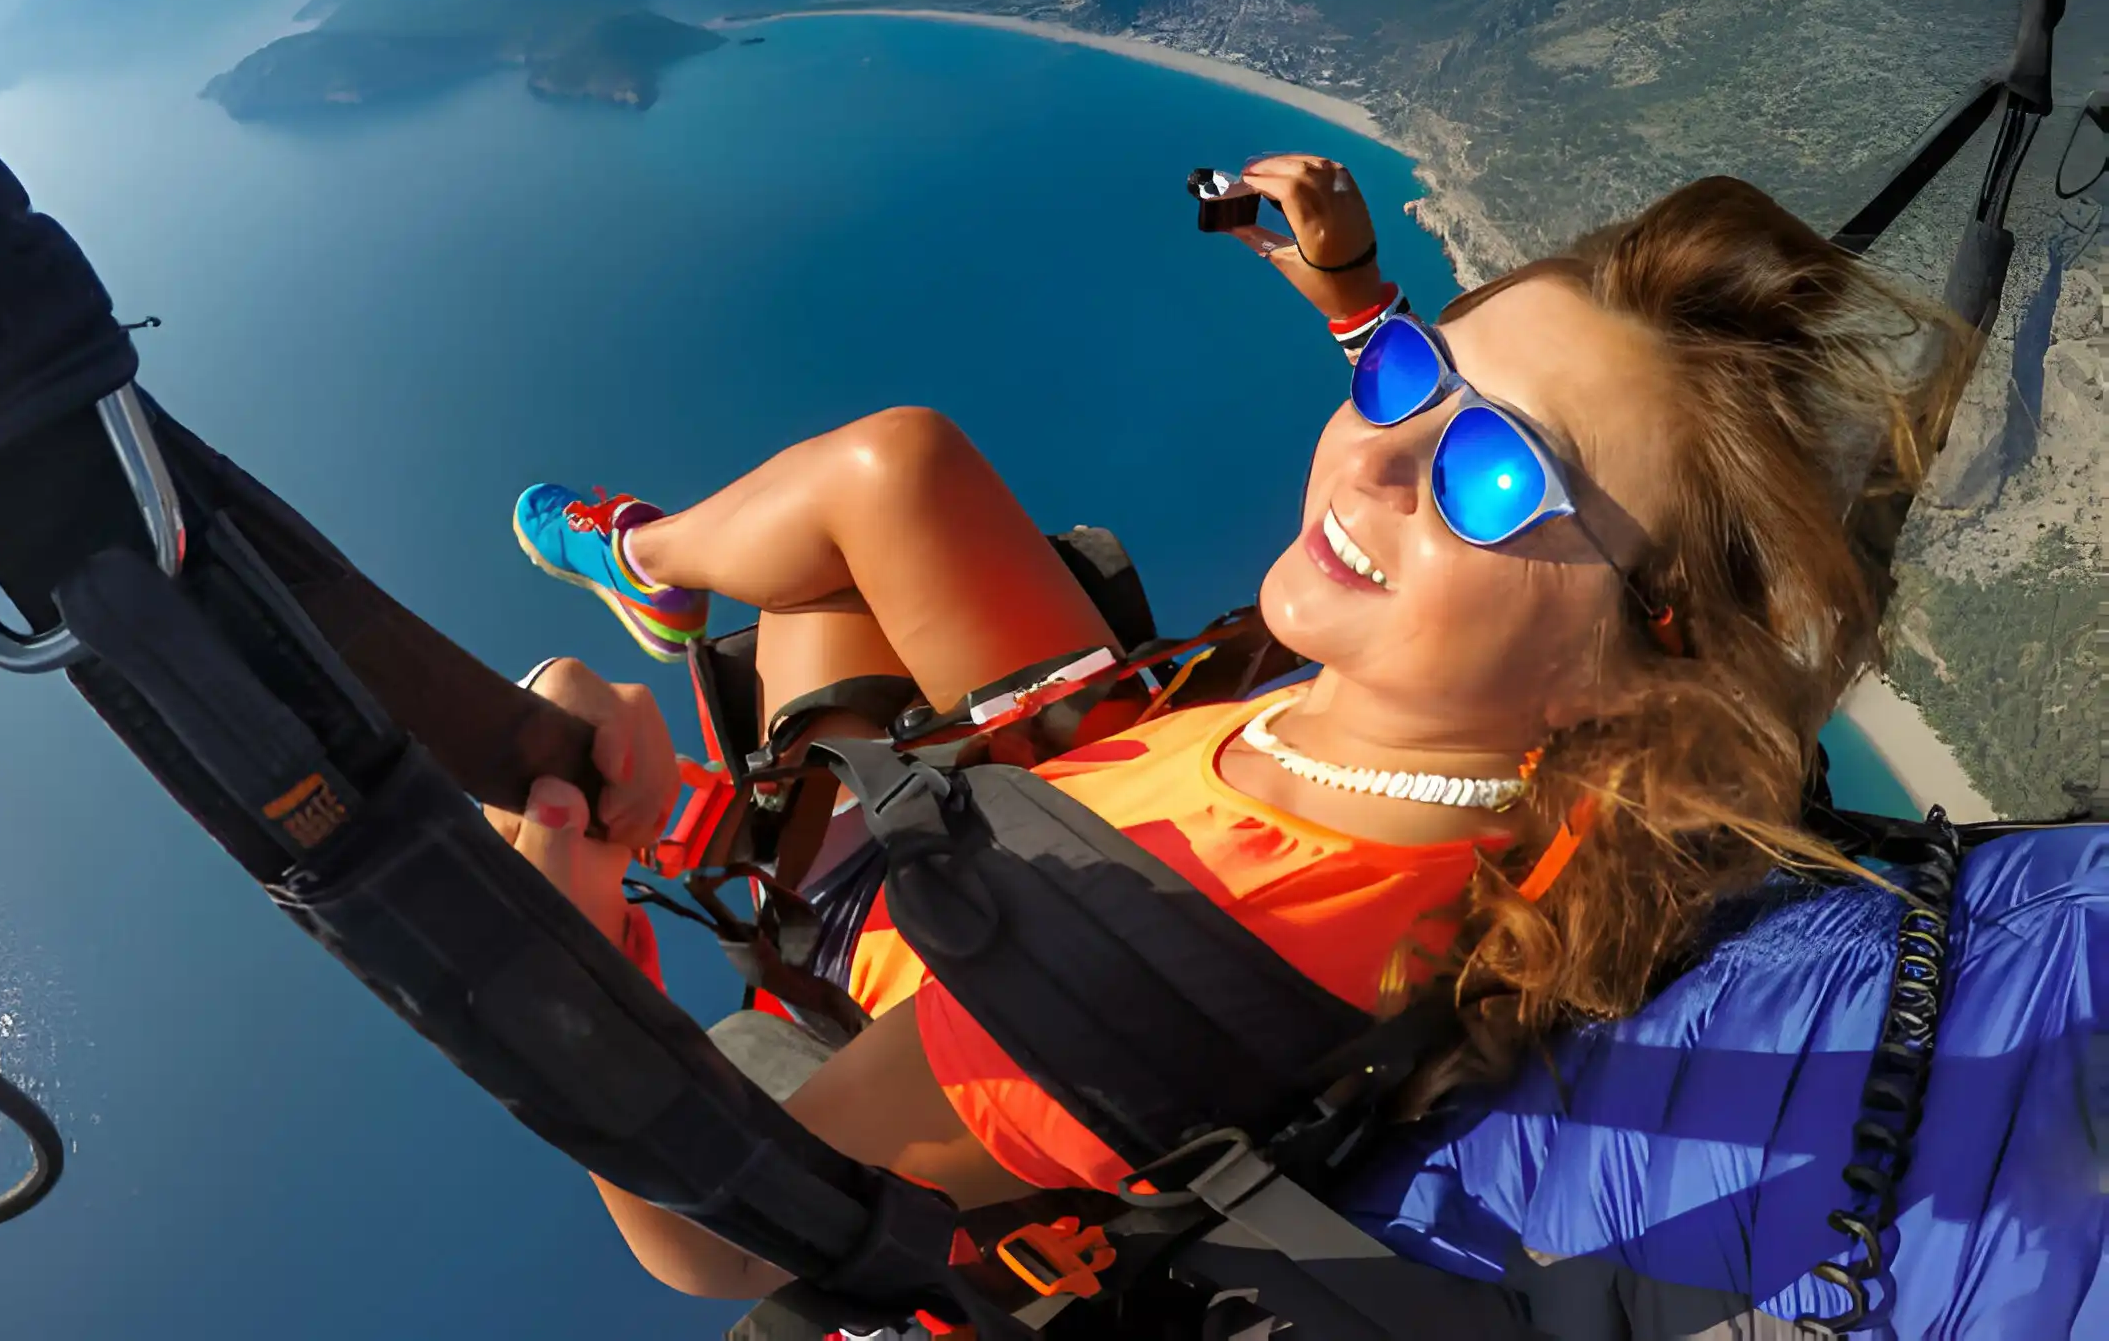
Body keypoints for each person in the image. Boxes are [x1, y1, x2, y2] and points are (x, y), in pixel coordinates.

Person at [488, 158, 1965, 1301]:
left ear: (1628, 670)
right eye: (1410, 377)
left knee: (812, 561)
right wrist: (1355, 288)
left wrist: (559, 946)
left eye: (1498, 477)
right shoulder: (1479, 747)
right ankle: (659, 568)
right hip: (1089, 783)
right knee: (899, 467)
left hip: (935, 946)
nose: (1378, 454)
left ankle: (662, 578)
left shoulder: (1164, 969)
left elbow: (734, 1243)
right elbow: (1450, 485)